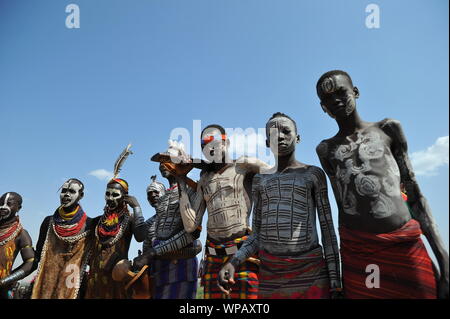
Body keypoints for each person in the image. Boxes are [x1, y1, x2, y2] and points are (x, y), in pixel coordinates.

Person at [315, 70, 448, 299]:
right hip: (361, 252)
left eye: (341, 92)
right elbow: (342, 205)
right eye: (327, 98)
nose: (335, 100)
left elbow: (415, 196)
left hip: (404, 245)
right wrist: (343, 267)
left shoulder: (387, 129)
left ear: (355, 92)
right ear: (322, 107)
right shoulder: (326, 149)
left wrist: (444, 261)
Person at [218, 113, 341, 299]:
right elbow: (257, 236)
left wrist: (335, 282)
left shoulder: (313, 174)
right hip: (270, 276)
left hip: (311, 272)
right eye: (274, 133)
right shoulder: (260, 180)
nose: (280, 136)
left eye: (286, 131)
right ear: (267, 142)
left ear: (298, 138)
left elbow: (328, 231)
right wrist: (233, 262)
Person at [172, 124, 268, 299]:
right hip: (213, 254)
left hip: (243, 253)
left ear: (227, 142)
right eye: (204, 144)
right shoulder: (204, 180)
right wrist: (180, 178)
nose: (210, 146)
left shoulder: (243, 166)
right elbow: (191, 226)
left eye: (214, 141)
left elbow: (274, 173)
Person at [133, 169, 201, 299]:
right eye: (149, 194)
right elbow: (142, 239)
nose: (152, 196)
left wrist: (153, 252)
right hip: (158, 271)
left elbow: (193, 234)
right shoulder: (153, 221)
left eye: (156, 192)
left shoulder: (189, 190)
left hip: (180, 267)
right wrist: (136, 208)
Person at [31, 179, 95, 299]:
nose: (66, 194)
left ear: (81, 196)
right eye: (64, 191)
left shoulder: (90, 225)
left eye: (71, 191)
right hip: (46, 286)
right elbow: (37, 257)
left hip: (73, 289)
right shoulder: (48, 222)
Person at [83, 178, 147, 298]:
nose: (110, 198)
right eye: (107, 194)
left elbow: (141, 236)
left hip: (116, 277)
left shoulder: (130, 220)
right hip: (95, 279)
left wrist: (137, 207)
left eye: (115, 195)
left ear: (125, 196)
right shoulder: (97, 221)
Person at [0, 192, 35, 299]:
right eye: (1, 203)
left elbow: (31, 263)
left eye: (8, 204)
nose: (3, 207)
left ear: (18, 208)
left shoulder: (21, 234)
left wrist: (6, 280)